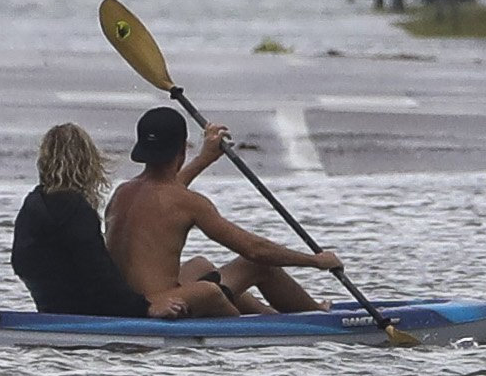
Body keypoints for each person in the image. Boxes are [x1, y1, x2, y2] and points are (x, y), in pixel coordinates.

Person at [105, 106, 340, 319]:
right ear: (182, 149)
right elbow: (255, 250)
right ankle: (311, 317)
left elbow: (166, 195)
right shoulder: (188, 202)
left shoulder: (122, 192)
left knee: (200, 266)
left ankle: (274, 316)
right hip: (163, 306)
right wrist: (315, 261)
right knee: (257, 266)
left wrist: (204, 159)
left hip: (128, 302)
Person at [10, 123, 160, 318]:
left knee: (198, 268)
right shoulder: (75, 210)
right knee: (206, 289)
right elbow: (99, 273)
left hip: (51, 308)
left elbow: (22, 263)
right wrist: (145, 308)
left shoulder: (32, 204)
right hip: (93, 312)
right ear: (87, 163)